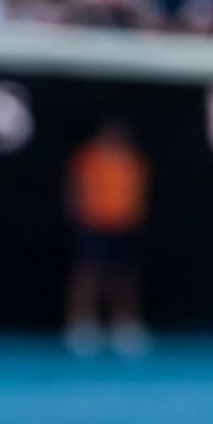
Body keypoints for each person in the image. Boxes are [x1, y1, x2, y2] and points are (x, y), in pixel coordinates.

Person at [63, 119, 151, 355]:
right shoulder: (88, 157)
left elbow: (138, 192)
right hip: (94, 224)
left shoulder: (133, 158)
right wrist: (80, 216)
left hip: (124, 226)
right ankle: (82, 326)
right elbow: (75, 188)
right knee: (89, 274)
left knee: (124, 276)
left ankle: (124, 326)